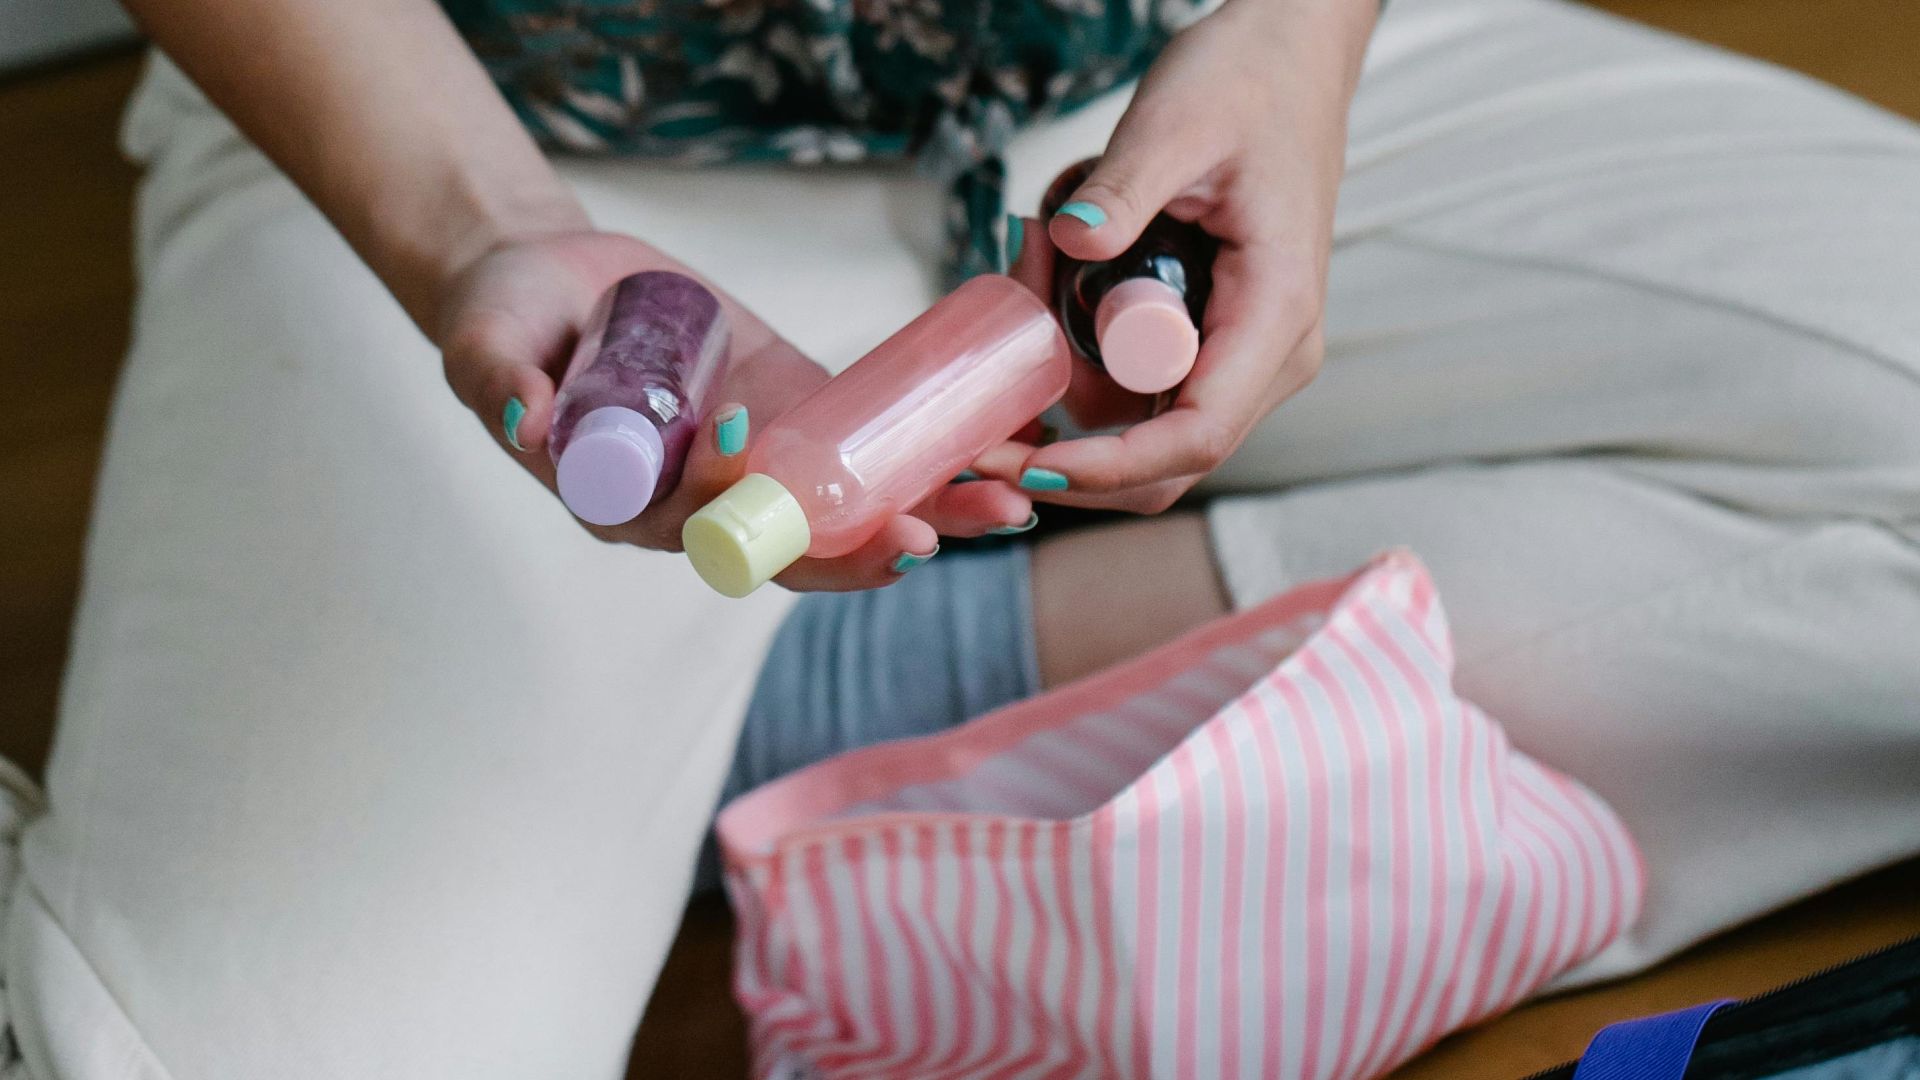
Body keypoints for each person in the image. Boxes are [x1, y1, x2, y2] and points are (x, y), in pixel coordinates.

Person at [2, 0, 1917, 1073]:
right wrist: (471, 223)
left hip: (1173, 76)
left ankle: (844, 695)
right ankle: (653, 708)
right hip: (476, 121)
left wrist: (1299, 47)